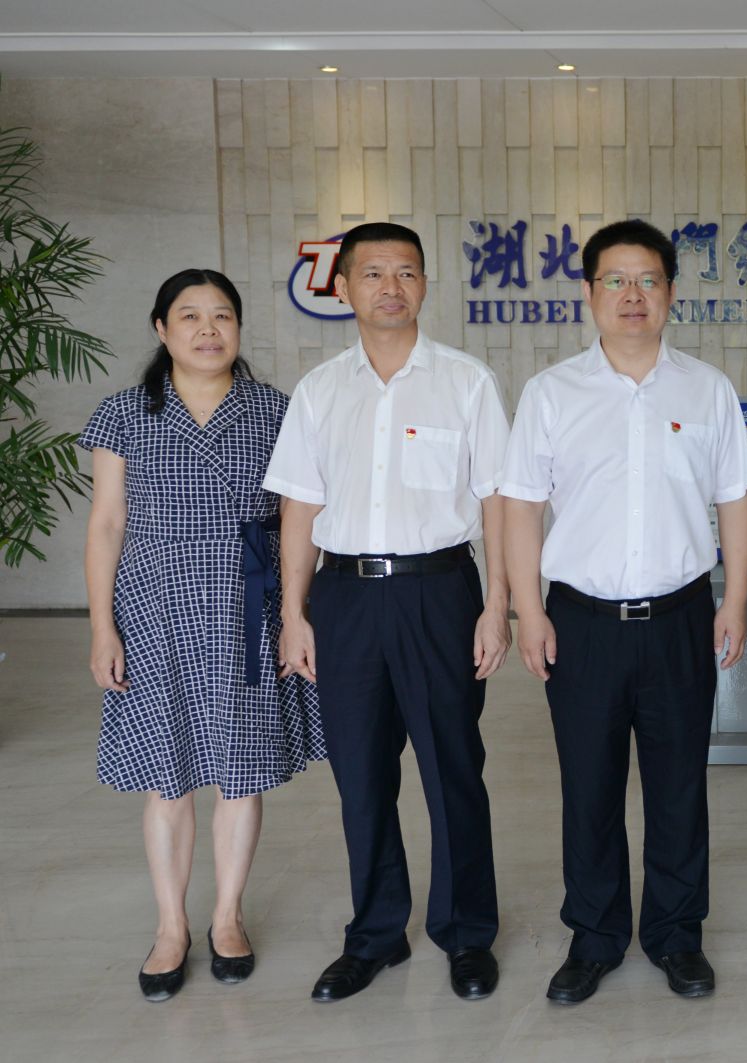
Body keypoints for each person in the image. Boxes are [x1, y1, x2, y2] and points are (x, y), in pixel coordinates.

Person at [502, 219, 747, 1005]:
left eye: (648, 280)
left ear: (671, 292)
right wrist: (527, 612)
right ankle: (595, 935)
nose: (633, 295)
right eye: (615, 280)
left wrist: (734, 600)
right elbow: (520, 508)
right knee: (589, 786)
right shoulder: (551, 393)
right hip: (580, 622)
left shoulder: (707, 389)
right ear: (589, 293)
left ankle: (677, 934)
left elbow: (734, 500)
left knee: (680, 786)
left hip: (681, 618)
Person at [267, 221, 511, 1003]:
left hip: (439, 592)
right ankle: (375, 934)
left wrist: (497, 604)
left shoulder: (466, 381)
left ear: (425, 285)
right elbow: (300, 509)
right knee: (361, 776)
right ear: (342, 287)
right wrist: (295, 614)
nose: (390, 287)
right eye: (372, 273)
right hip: (342, 598)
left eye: (406, 272)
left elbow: (496, 502)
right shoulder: (320, 389)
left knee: (452, 770)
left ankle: (466, 932)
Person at [81, 268, 324, 1001]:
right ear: (161, 329)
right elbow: (107, 524)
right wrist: (102, 628)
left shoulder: (275, 410)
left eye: (223, 315)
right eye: (190, 316)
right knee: (169, 769)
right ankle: (170, 927)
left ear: (239, 329)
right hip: (153, 605)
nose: (208, 329)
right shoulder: (124, 413)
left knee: (240, 765)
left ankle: (226, 917)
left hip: (249, 602)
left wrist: (294, 615)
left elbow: (300, 517)